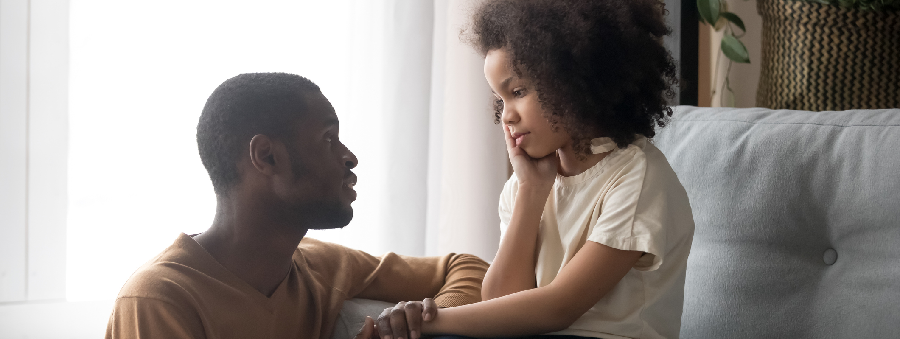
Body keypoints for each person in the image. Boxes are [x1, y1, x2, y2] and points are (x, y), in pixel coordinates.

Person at [373, 1, 695, 338]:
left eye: (518, 92)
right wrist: (531, 193)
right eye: (501, 100)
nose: (506, 116)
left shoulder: (637, 178)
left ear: (573, 80)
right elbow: (501, 302)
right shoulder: (526, 184)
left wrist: (430, 321)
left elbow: (559, 307)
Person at [104, 73, 489, 339]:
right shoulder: (159, 299)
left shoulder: (319, 266)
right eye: (328, 138)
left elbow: (467, 267)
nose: (350, 157)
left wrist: (431, 321)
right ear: (267, 157)